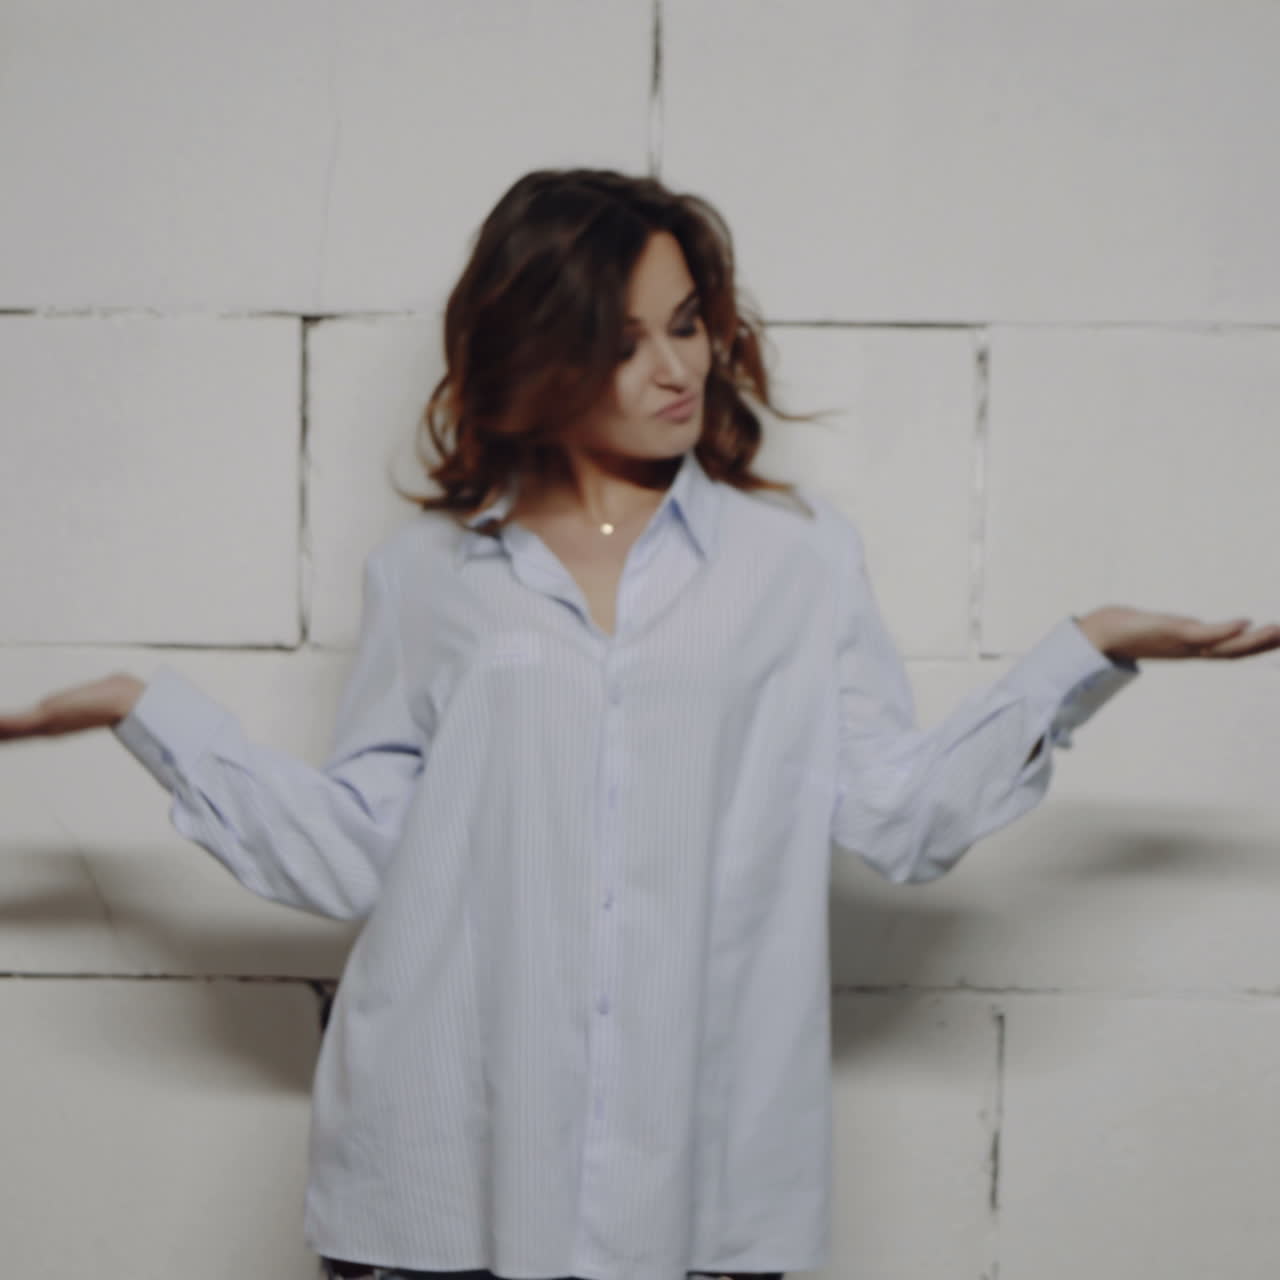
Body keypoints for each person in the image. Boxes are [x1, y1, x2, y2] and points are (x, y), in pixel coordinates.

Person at [2, 169, 1277, 1280]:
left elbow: (898, 820)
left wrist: (1081, 657)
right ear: (537, 352)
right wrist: (147, 711)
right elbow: (358, 851)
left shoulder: (796, 563)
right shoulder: (429, 574)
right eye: (624, 341)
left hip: (698, 1188)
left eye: (686, 325)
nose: (676, 368)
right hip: (439, 1180)